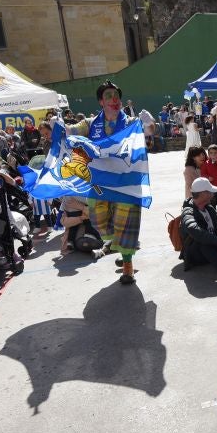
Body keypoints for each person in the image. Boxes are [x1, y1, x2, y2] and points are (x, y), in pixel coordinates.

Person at [65, 80, 145, 285]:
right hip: (99, 184)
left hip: (126, 183)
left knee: (125, 224)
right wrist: (60, 127)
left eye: (116, 95)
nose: (114, 99)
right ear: (101, 101)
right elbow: (71, 132)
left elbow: (148, 132)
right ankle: (117, 242)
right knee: (99, 221)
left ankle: (128, 266)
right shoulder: (90, 124)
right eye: (108, 96)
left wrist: (147, 124)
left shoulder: (130, 122)